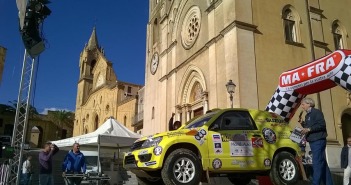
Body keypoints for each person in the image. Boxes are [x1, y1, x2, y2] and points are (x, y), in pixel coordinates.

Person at [300, 97, 333, 185]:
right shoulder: (307, 115)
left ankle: (315, 183)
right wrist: (302, 123)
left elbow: (322, 125)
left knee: (317, 163)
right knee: (322, 163)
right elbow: (308, 127)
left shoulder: (316, 112)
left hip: (318, 140)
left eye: (303, 104)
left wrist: (309, 129)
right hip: (313, 141)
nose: (302, 107)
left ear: (309, 104)